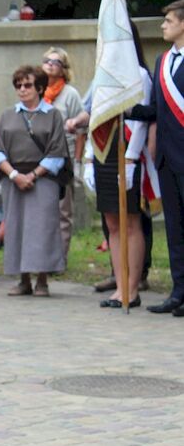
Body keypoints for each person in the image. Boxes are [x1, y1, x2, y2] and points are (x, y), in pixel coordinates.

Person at [84, 34, 152, 308]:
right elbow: (94, 116)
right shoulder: (101, 76)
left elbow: (141, 122)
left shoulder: (139, 75)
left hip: (127, 153)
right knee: (112, 223)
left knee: (130, 222)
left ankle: (132, 289)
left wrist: (132, 158)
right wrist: (88, 157)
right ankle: (120, 285)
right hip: (104, 151)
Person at [128, 0, 184, 316]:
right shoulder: (162, 61)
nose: (163, 26)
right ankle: (179, 292)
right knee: (175, 229)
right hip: (166, 159)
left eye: (169, 21)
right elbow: (156, 110)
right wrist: (127, 110)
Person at [0, 66, 68, 297]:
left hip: (44, 179)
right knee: (16, 227)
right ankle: (23, 279)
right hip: (13, 178)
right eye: (18, 85)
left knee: (43, 228)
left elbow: (57, 152)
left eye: (27, 85)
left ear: (40, 88)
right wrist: (14, 175)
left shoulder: (53, 115)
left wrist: (33, 175)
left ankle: (42, 280)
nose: (22, 89)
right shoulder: (8, 115)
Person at [41, 47, 85, 257]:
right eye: (47, 61)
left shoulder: (70, 94)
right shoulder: (35, 91)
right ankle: (41, 255)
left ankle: (59, 257)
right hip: (39, 157)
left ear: (64, 68)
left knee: (62, 210)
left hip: (63, 158)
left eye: (56, 62)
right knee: (41, 210)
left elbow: (81, 131)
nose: (50, 65)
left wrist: (77, 162)